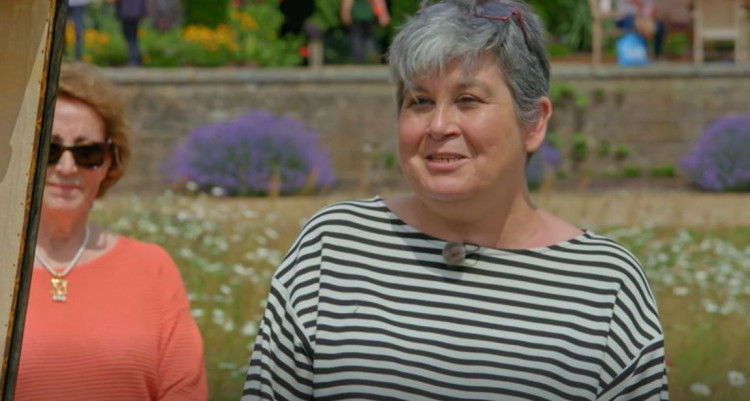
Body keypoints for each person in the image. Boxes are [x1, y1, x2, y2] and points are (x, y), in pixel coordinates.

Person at [242, 0, 669, 399]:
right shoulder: (332, 249)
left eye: (467, 100)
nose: (439, 124)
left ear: (534, 123)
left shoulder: (604, 286)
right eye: (420, 101)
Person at [16, 62, 208, 401]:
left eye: (87, 152)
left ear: (109, 163)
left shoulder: (153, 269)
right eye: (50, 148)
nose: (66, 167)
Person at [113, 0, 147, 65]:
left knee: (130, 36)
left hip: (127, 12)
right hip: (136, 11)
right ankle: (136, 58)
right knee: (133, 36)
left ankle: (134, 60)